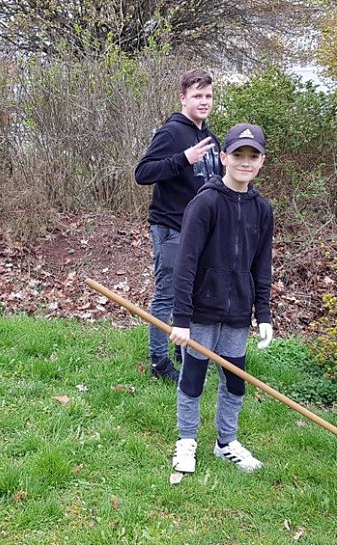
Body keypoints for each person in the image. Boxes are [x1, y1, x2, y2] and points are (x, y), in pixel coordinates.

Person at [168, 123, 275, 474]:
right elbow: (185, 263)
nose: (245, 162)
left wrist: (264, 315)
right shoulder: (207, 202)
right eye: (238, 155)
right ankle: (186, 441)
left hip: (238, 312)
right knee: (193, 376)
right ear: (224, 157)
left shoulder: (262, 210)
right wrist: (180, 318)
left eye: (253, 156)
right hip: (200, 312)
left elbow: (262, 265)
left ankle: (225, 442)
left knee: (234, 381)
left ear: (261, 161)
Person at [134, 69, 223, 382]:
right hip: (171, 227)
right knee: (167, 294)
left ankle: (183, 350)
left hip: (200, 231)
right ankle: (159, 362)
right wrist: (182, 159)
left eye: (208, 96)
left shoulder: (209, 137)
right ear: (183, 98)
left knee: (193, 295)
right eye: (197, 96)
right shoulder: (172, 133)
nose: (203, 101)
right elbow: (142, 173)